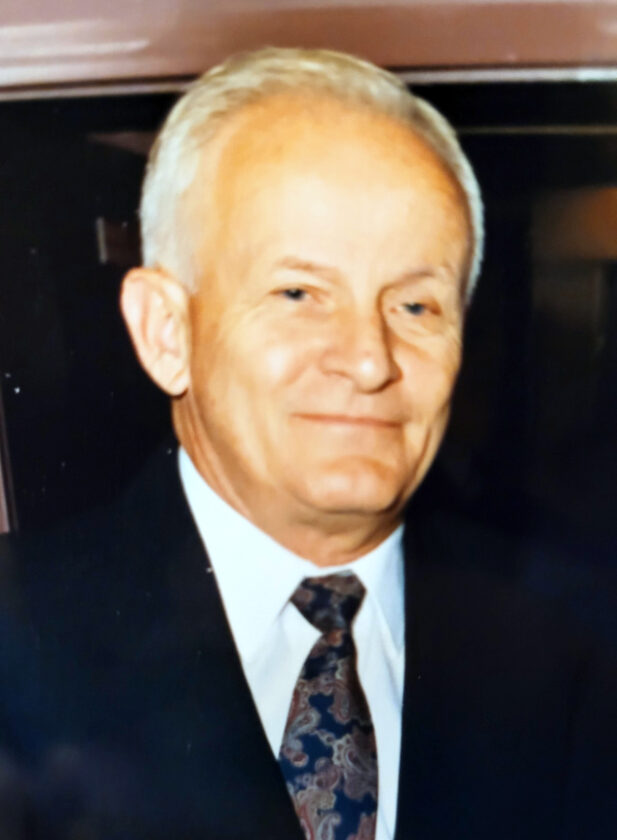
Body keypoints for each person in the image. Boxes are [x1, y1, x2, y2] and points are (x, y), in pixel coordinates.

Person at [0, 47, 614, 840]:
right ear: (166, 332)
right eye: (298, 293)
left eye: (416, 307)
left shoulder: (570, 646)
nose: (369, 360)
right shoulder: (17, 644)